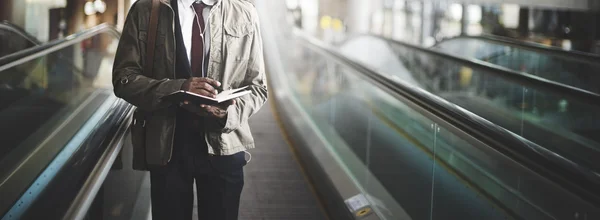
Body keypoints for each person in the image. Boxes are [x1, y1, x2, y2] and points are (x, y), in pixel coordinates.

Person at [112, 0, 267, 219]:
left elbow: (258, 88)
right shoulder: (147, 9)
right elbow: (123, 78)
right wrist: (178, 87)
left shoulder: (244, 12)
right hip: (168, 147)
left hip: (225, 146)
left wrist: (227, 115)